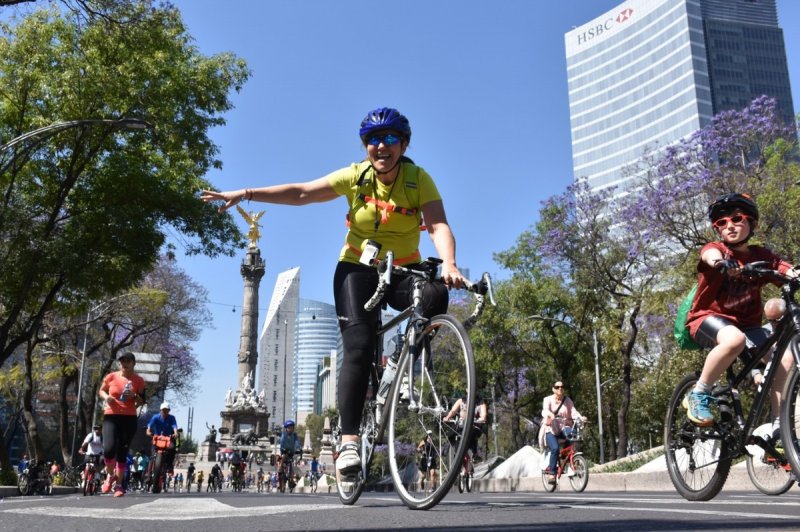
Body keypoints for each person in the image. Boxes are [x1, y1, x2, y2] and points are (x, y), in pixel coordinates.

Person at [201, 107, 465, 474]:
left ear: (404, 145)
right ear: (365, 146)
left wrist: (449, 263)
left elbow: (437, 225)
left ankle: (400, 363)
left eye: (390, 138)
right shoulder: (356, 176)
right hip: (357, 269)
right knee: (358, 346)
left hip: (403, 269)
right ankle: (350, 442)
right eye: (373, 140)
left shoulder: (419, 179)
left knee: (436, 294)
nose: (381, 146)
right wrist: (246, 193)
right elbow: (302, 193)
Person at [684, 193, 797, 430]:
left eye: (737, 219)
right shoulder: (717, 250)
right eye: (722, 222)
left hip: (748, 326)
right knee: (734, 339)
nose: (730, 226)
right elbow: (709, 255)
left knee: (785, 359)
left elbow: (783, 268)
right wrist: (721, 263)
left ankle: (780, 429)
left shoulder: (761, 256)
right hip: (706, 318)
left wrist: (794, 275)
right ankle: (699, 392)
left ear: (752, 223)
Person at [98, 351, 145, 497]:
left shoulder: (138, 380)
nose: (125, 364)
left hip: (129, 418)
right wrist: (107, 397)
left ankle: (118, 486)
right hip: (111, 416)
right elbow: (101, 391)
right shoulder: (111, 376)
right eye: (122, 361)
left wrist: (135, 396)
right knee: (109, 449)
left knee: (122, 452)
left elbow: (142, 401)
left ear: (133, 363)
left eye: (128, 361)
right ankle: (110, 476)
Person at [541, 380, 587, 482]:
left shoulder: (567, 400)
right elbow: (544, 410)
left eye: (562, 387)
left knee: (574, 436)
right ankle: (552, 474)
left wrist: (581, 418)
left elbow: (574, 412)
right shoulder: (547, 399)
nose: (560, 389)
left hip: (564, 428)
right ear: (553, 389)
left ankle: (569, 462)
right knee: (555, 449)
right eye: (557, 387)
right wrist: (550, 415)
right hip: (551, 430)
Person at [443, 390, 489, 461]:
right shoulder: (461, 401)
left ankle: (474, 454)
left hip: (473, 425)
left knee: (472, 435)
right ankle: (456, 454)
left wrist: (481, 418)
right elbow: (453, 411)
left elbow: (483, 415)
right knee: (452, 434)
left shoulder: (480, 403)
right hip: (461, 425)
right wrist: (447, 417)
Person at [146, 402, 180, 479]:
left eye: (166, 410)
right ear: (160, 410)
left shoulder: (172, 418)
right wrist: (148, 431)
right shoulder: (155, 417)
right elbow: (149, 425)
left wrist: (175, 433)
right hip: (157, 438)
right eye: (163, 410)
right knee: (152, 455)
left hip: (168, 439)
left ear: (169, 411)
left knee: (172, 449)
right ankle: (148, 473)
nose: (164, 412)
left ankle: (170, 466)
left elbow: (174, 426)